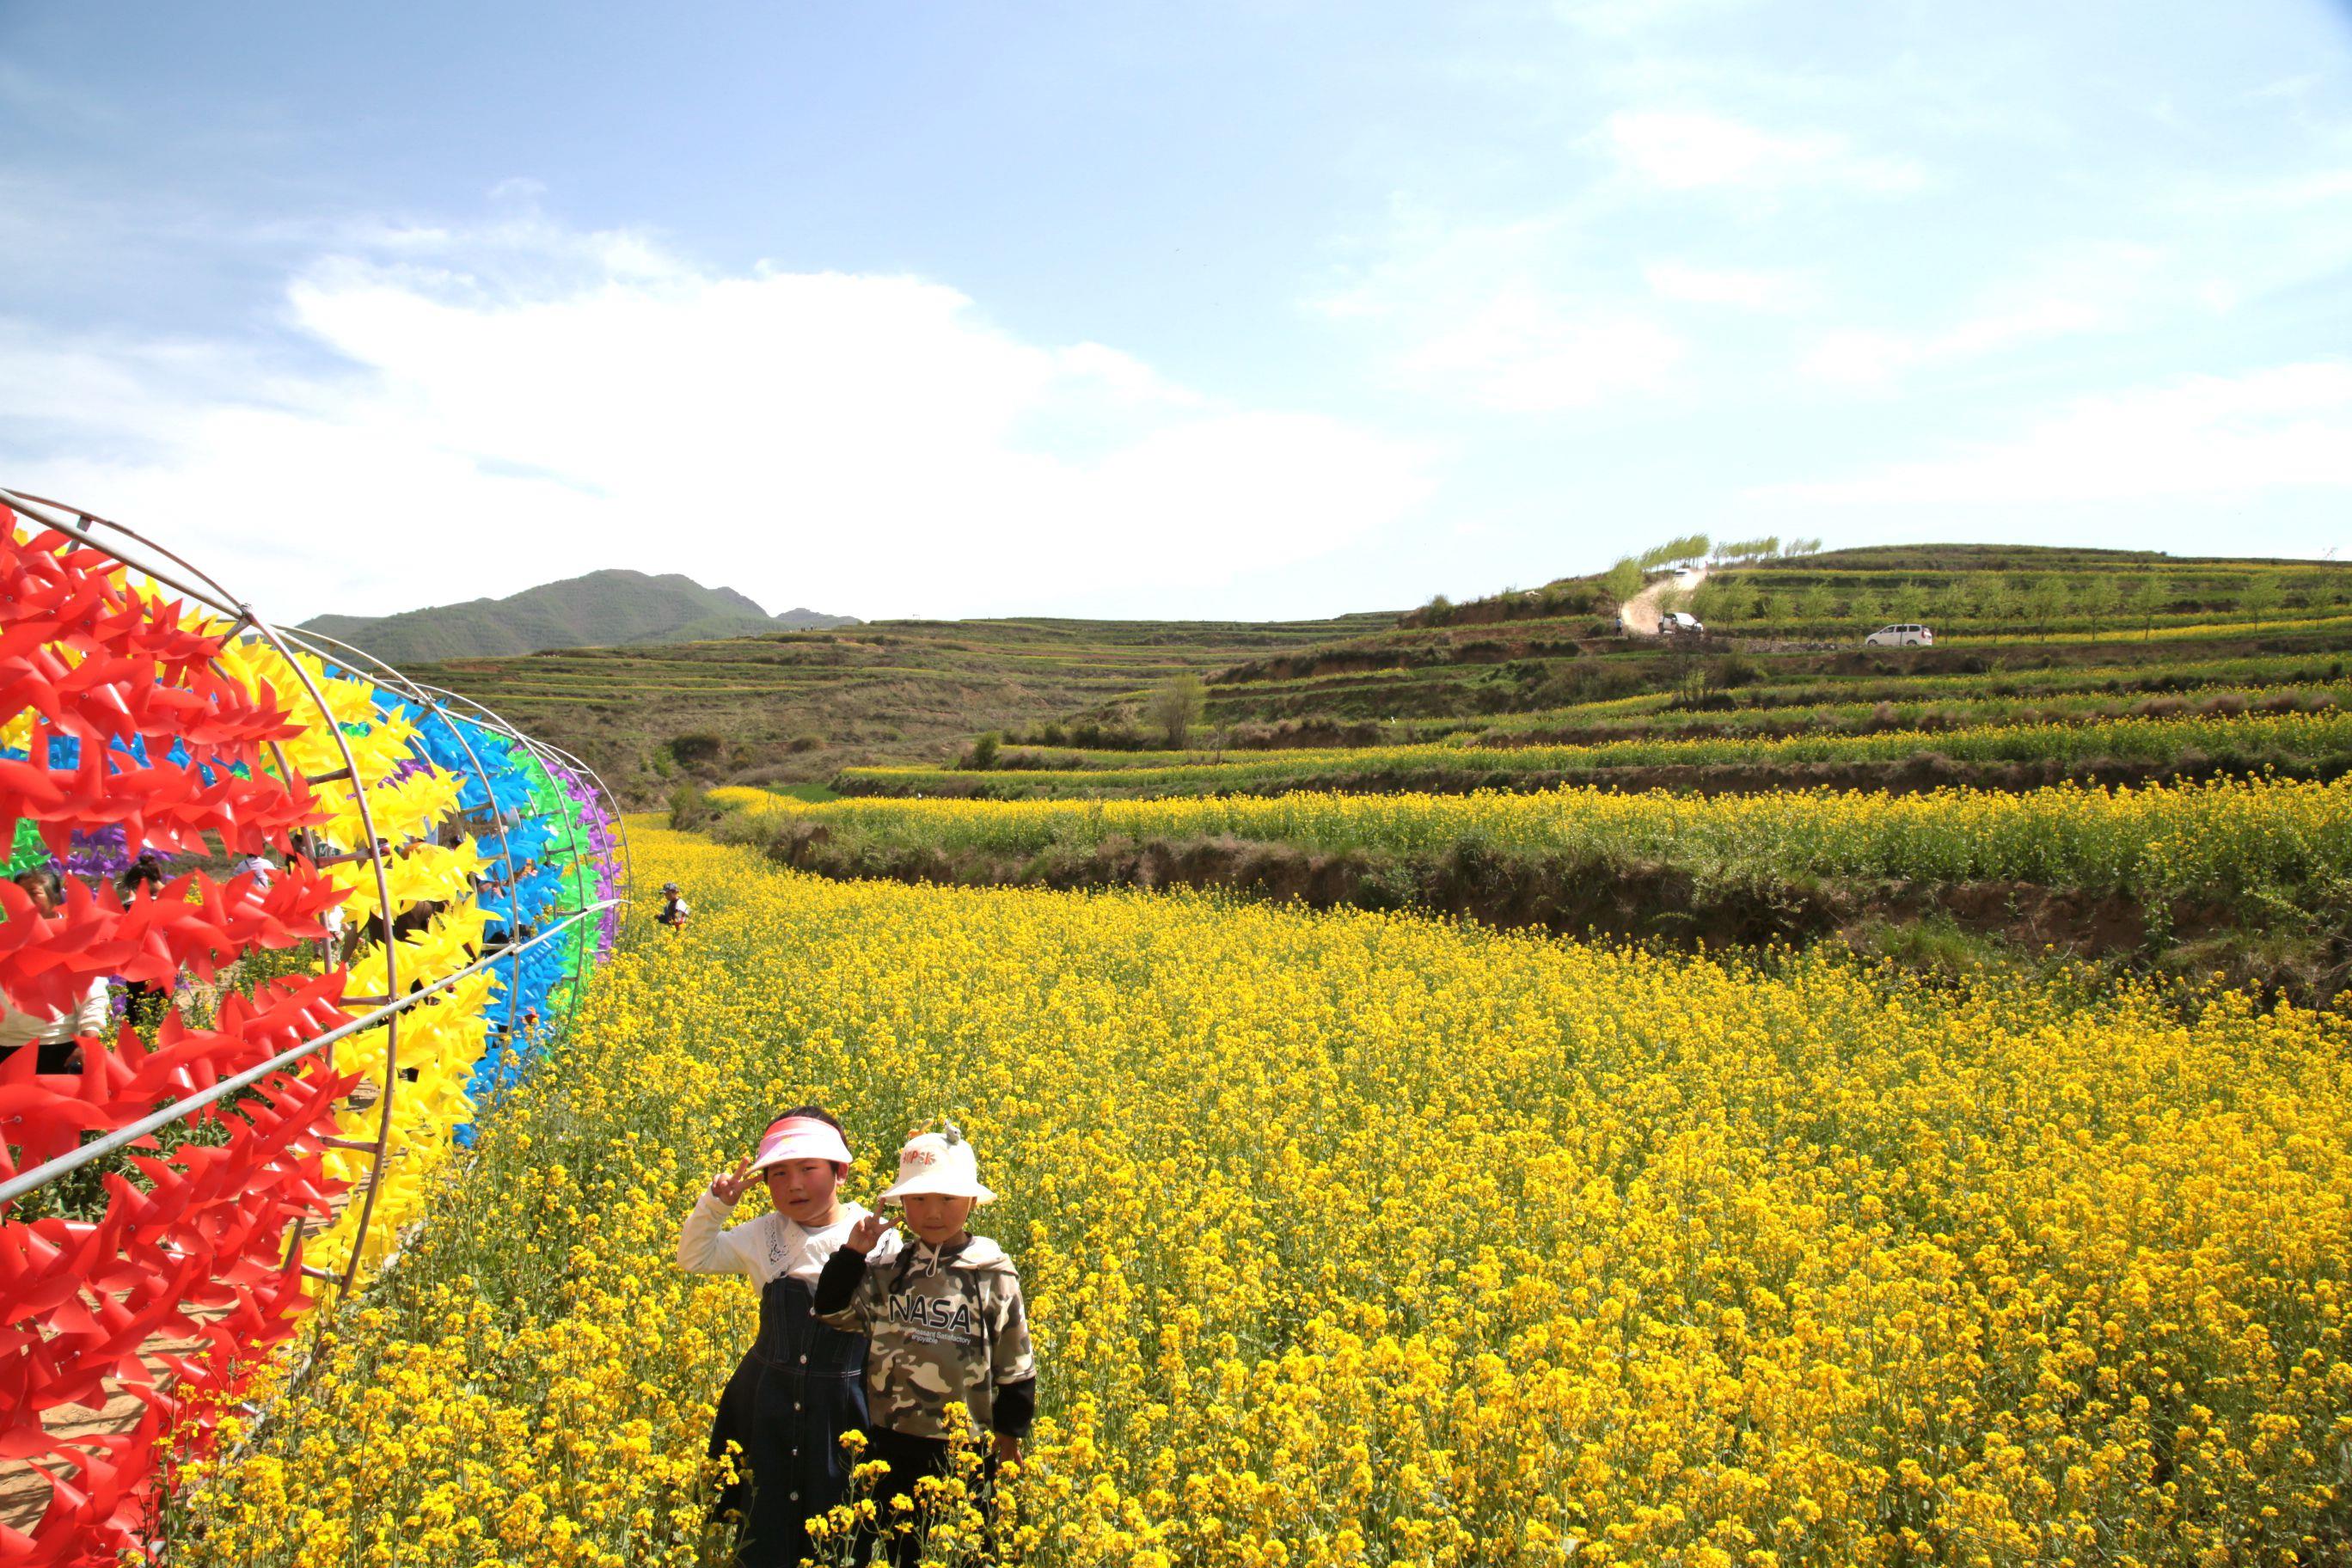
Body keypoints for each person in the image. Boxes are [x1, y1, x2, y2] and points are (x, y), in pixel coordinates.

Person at [679, 1107, 901, 1567]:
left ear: (840, 1173)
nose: (794, 1184)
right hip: (768, 1400)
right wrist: (717, 1205)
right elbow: (695, 1257)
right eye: (778, 1173)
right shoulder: (762, 1234)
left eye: (808, 1169)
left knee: (838, 1515)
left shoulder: (874, 1234)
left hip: (844, 1400)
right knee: (765, 1515)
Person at [815, 1124, 1035, 1567]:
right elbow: (833, 1311)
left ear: (972, 1202)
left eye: (948, 1199)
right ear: (901, 1205)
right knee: (902, 1551)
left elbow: (1016, 1361)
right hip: (890, 1441)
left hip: (966, 1445)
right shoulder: (886, 1268)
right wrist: (853, 1253)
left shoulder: (992, 1273)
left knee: (966, 1549)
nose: (933, 1212)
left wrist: (1011, 1433)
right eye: (918, 1199)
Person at [1, 867, 110, 1070]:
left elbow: (92, 993)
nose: (23, 902)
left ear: (55, 899)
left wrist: (88, 1041)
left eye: (33, 894)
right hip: (5, 1046)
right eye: (18, 895)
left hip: (54, 1047)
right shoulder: (4, 937)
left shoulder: (72, 938)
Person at [115, 856, 173, 1030]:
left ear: (143, 882)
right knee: (159, 1013)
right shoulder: (173, 896)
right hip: (165, 962)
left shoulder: (143, 904)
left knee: (137, 1011)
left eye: (134, 886)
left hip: (144, 964)